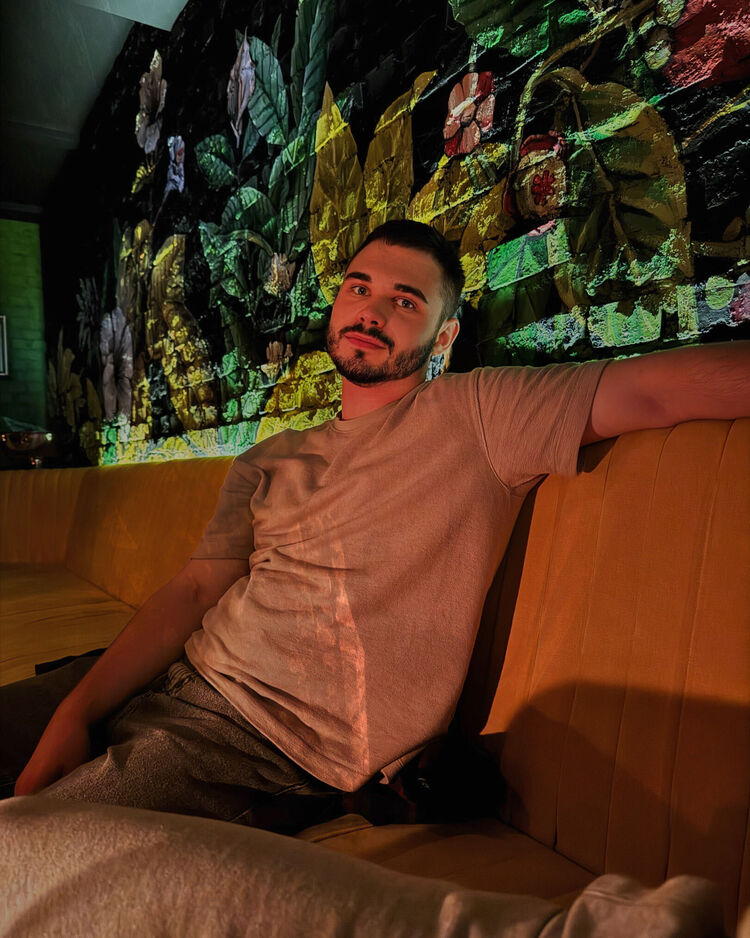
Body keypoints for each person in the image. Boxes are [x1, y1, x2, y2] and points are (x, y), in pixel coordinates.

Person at [2, 220, 749, 834]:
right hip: (173, 677)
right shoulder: (269, 458)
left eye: (404, 301)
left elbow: (655, 393)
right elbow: (195, 590)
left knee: (28, 858)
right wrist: (78, 709)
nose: (370, 311)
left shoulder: (476, 416)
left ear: (444, 336)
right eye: (359, 288)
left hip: (259, 740)